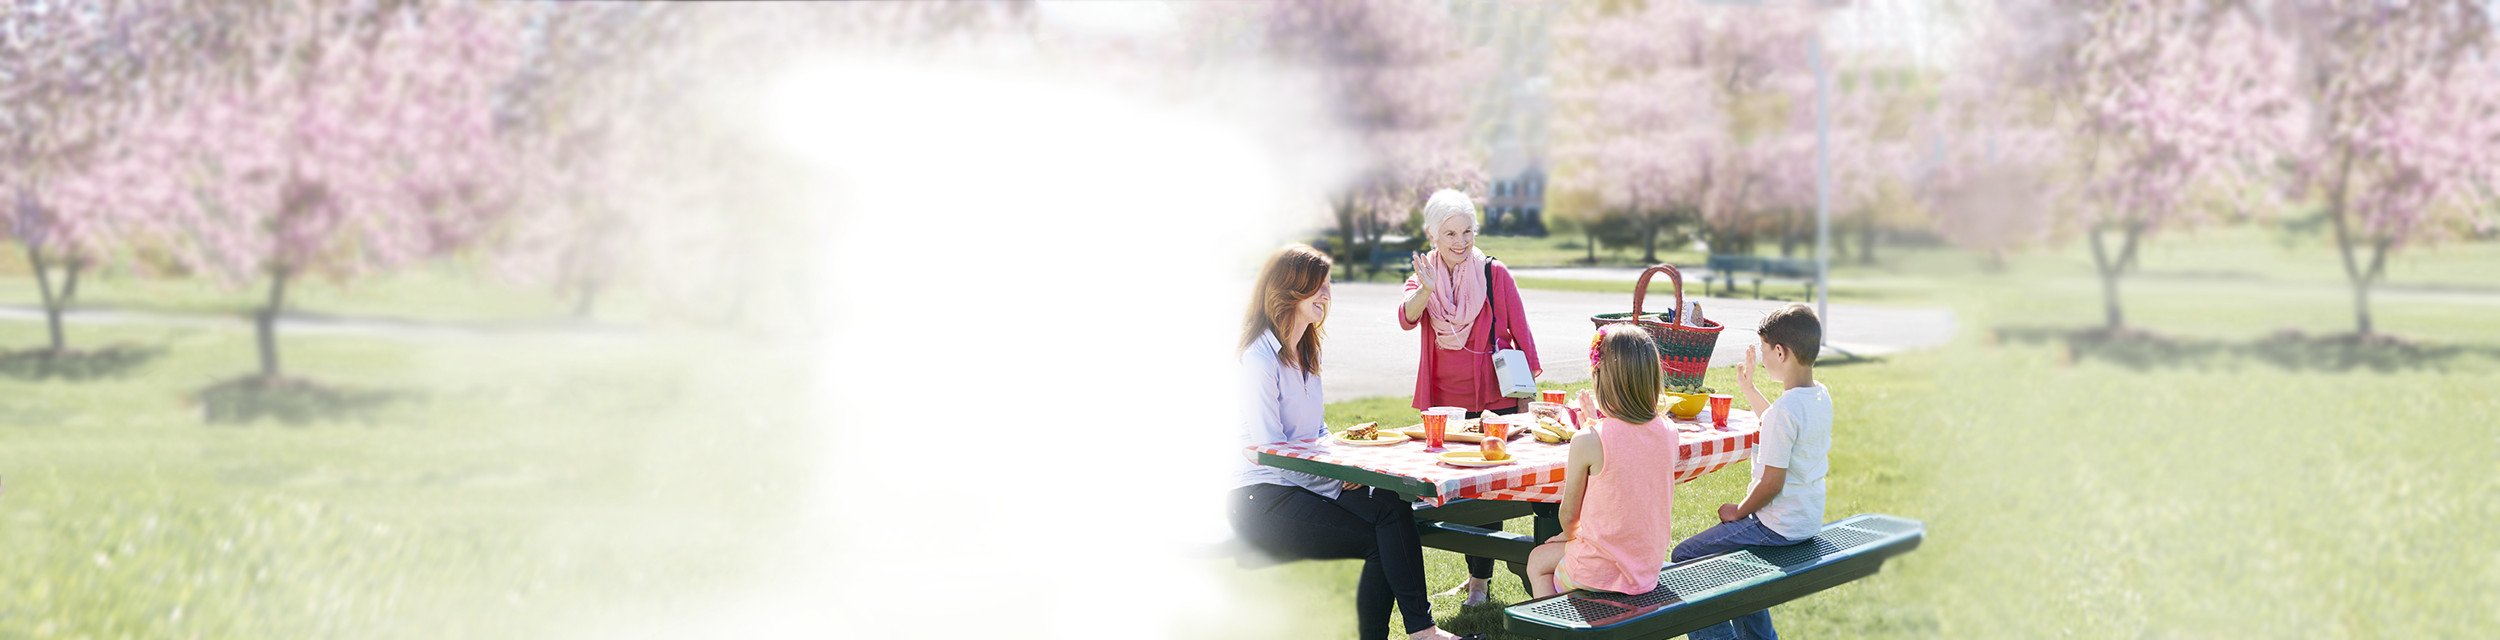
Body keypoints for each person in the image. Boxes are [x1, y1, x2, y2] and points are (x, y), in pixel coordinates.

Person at [1228, 244, 1480, 640]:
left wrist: (1352, 467)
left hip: (1304, 480)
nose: (1327, 296)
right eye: (1318, 287)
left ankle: (1423, 631)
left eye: (1328, 286)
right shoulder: (1260, 359)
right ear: (1288, 290)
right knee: (1380, 539)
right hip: (1262, 496)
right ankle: (1417, 634)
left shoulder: (1306, 350)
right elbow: (1270, 452)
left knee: (1391, 504)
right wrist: (1334, 480)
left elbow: (1317, 432)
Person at [1397, 188, 1543, 602]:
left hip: (1492, 399)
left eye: (1467, 232)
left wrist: (1525, 404)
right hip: (1445, 404)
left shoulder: (1495, 273)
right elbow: (1407, 316)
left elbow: (1523, 337)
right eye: (1450, 234)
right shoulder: (1423, 274)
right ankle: (1476, 571)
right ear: (1432, 235)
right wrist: (1426, 289)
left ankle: (1480, 581)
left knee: (1487, 496)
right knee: (1454, 495)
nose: (1461, 242)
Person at [1671, 303, 1832, 640]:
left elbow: (1772, 483)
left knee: (1684, 556)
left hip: (1776, 526)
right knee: (1737, 569)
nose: (1761, 358)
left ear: (1780, 351)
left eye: (1763, 351)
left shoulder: (1785, 411)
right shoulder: (1818, 397)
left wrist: (1738, 511)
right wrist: (1748, 388)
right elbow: (1779, 426)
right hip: (1806, 519)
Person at [1522, 325, 1680, 598]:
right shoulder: (1669, 430)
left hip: (1596, 571)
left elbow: (1569, 517)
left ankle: (1555, 627)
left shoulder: (1588, 439)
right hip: (1644, 569)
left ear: (1600, 378)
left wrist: (1567, 537)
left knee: (1538, 561)